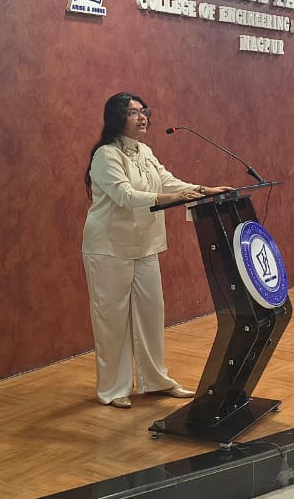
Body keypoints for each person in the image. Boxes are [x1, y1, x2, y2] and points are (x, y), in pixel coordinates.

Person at [81, 92, 233, 409]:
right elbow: (125, 196)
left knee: (152, 314)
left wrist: (203, 190)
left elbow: (166, 181)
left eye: (144, 111)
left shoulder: (145, 151)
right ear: (117, 118)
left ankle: (155, 380)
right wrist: (170, 198)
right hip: (109, 247)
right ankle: (113, 389)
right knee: (112, 319)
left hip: (144, 244)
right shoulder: (106, 155)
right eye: (132, 112)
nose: (142, 117)